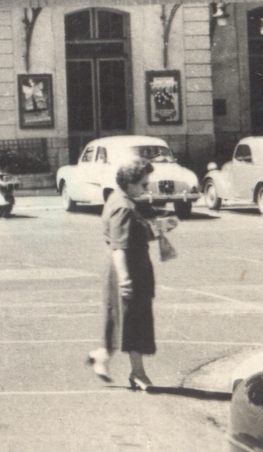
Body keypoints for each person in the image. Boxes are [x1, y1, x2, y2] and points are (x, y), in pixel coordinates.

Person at [90, 159, 161, 391]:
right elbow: (119, 247)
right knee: (133, 319)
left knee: (119, 318)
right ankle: (138, 373)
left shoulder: (121, 198)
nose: (146, 189)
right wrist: (125, 279)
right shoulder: (123, 207)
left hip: (130, 267)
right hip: (127, 268)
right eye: (143, 184)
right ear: (130, 183)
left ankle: (102, 356)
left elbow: (133, 234)